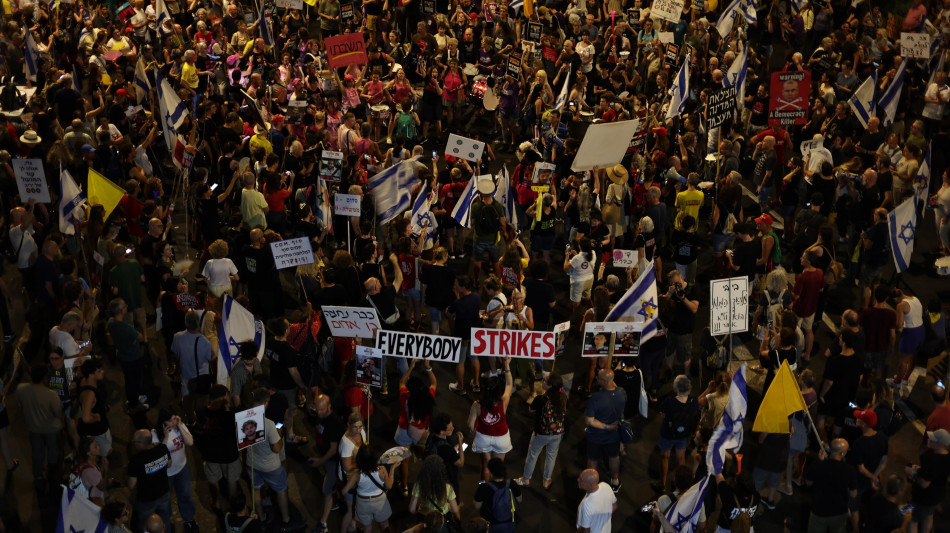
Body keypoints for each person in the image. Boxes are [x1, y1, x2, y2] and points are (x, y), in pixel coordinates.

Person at [16, 364, 63, 494]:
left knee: (37, 455)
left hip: (34, 429)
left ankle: (38, 478)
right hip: (52, 430)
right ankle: (52, 477)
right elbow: (58, 414)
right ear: (44, 378)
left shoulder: (21, 389)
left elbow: (20, 406)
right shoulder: (51, 395)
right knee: (53, 455)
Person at [516, 372, 567, 489]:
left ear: (550, 386)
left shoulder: (541, 399)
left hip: (542, 433)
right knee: (551, 456)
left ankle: (526, 479)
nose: (542, 382)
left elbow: (531, 409)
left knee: (533, 455)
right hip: (558, 432)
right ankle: (546, 480)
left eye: (544, 381)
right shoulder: (563, 397)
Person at [468, 358, 514, 482]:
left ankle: (484, 487)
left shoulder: (477, 405)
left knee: (486, 466)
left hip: (483, 437)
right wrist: (507, 365)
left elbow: (470, 425)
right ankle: (497, 489)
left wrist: (473, 432)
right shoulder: (503, 402)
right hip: (501, 437)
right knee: (498, 467)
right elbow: (509, 385)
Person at [151, 410, 197, 532]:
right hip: (165, 474)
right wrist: (166, 438)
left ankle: (189, 520)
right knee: (164, 501)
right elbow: (159, 455)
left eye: (174, 419)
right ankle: (167, 522)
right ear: (163, 422)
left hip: (182, 468)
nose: (173, 422)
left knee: (185, 495)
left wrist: (180, 426)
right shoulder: (155, 434)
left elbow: (190, 442)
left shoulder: (179, 426)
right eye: (170, 421)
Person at [654, 375, 698, 493]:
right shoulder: (693, 401)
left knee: (665, 456)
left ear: (677, 388)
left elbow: (663, 415)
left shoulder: (669, 402)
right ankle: (680, 483)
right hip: (683, 435)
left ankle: (662, 484)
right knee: (680, 458)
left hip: (668, 433)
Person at [584, 369, 626, 493]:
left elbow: (589, 421)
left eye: (599, 378)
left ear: (604, 381)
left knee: (592, 459)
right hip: (613, 436)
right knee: (613, 457)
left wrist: (607, 427)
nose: (596, 379)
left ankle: (591, 486)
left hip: (596, 436)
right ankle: (615, 482)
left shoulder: (596, 398)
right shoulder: (622, 392)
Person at [339, 446, 398, 533]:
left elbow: (344, 491)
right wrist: (392, 469)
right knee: (384, 524)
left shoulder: (357, 474)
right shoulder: (382, 470)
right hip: (380, 502)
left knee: (367, 527)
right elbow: (389, 486)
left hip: (363, 503)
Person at [805, 438, 857, 533]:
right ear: (842, 453)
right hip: (839, 512)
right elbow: (853, 494)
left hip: (818, 510)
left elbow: (808, 483)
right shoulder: (850, 470)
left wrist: (819, 461)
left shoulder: (817, 465)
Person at [127, 429, 172, 533]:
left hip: (146, 500)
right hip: (164, 493)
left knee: (146, 525)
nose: (133, 443)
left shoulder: (135, 461)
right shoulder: (162, 448)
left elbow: (131, 485)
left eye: (135, 441)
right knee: (164, 521)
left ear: (141, 443)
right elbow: (169, 464)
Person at [906, 429, 950, 533]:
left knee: (913, 520)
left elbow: (924, 483)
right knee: (929, 516)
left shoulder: (930, 459)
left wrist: (912, 472)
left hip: (923, 498)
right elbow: (935, 473)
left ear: (940, 444)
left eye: (933, 439)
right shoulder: (948, 457)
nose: (929, 440)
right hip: (937, 496)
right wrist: (921, 470)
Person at [473, 457, 522, 532]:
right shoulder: (511, 483)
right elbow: (519, 500)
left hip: (491, 523)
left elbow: (477, 506)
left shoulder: (484, 487)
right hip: (509, 521)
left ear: (491, 473)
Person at [575, 469, 617, 533]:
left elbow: (585, 531)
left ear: (590, 485)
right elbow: (615, 506)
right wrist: (602, 518)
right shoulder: (605, 486)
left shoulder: (587, 504)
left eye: (581, 480)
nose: (578, 480)